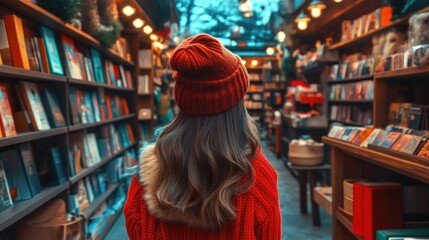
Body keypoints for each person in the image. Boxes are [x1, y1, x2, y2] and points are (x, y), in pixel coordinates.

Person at [124, 34, 281, 240]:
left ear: (182, 101)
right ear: (237, 105)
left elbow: (134, 225)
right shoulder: (257, 179)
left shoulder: (146, 179)